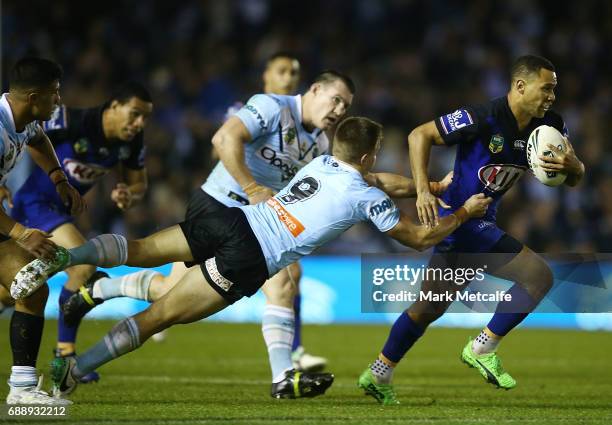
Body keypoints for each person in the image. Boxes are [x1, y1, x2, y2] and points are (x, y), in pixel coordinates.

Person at [11, 116, 492, 402]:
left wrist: (430, 186)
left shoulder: (323, 164)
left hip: (233, 219)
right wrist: (461, 212)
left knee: (136, 250)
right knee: (158, 317)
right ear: (370, 154)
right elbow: (414, 237)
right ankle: (75, 371)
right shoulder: (364, 197)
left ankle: (65, 257)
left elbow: (382, 181)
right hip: (249, 257)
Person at [61, 66, 352, 390]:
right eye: (336, 100)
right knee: (281, 283)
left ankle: (100, 289)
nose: (339, 110)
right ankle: (283, 375)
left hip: (255, 225)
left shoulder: (321, 144)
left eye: (346, 107)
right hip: (218, 205)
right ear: (314, 90)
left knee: (173, 294)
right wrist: (252, 188)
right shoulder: (273, 107)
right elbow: (224, 138)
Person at [358, 55, 585, 405]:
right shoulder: (483, 117)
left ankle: (378, 371)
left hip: (478, 221)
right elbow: (420, 135)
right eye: (547, 88)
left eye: (555, 89)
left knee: (429, 307)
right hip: (460, 220)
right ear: (520, 86)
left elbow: (570, 181)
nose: (552, 96)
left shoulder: (551, 125)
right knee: (538, 277)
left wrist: (576, 166)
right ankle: (482, 348)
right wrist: (422, 190)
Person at [10, 81, 153, 384]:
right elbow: (28, 137)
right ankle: (65, 355)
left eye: (145, 117)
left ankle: (64, 353)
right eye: (135, 114)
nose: (139, 123)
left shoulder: (131, 141)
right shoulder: (73, 120)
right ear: (114, 106)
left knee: (15, 288)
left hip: (57, 213)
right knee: (84, 265)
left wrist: (130, 193)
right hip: (32, 204)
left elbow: (139, 182)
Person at [0, 57, 85, 405]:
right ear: (34, 97)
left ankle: (21, 389)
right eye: (54, 94)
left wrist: (58, 178)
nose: (58, 101)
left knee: (29, 287)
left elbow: (38, 140)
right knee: (28, 285)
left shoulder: (21, 119)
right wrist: (21, 232)